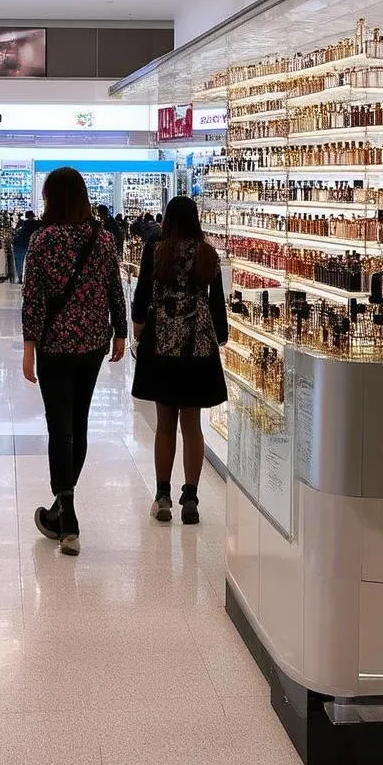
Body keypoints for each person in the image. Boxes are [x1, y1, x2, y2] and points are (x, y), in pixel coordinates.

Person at [21, 168, 127, 556]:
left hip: (53, 345)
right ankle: (63, 509)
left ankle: (66, 515)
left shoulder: (42, 241)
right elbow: (114, 288)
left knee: (58, 427)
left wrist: (29, 346)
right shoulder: (102, 239)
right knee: (78, 423)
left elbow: (32, 297)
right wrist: (120, 331)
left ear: (51, 198)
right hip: (91, 344)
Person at [131, 196, 228, 525]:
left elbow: (143, 290)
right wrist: (221, 336)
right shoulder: (207, 252)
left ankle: (162, 495)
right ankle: (191, 495)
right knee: (193, 424)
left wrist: (137, 326)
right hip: (198, 346)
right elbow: (218, 303)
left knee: (165, 424)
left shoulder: (157, 250)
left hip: (163, 343)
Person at [12, 209, 39, 284]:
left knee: (19, 261)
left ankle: (20, 278)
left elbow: (16, 231)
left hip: (20, 244)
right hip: (32, 244)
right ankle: (32, 278)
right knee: (33, 262)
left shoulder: (22, 223)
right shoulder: (37, 224)